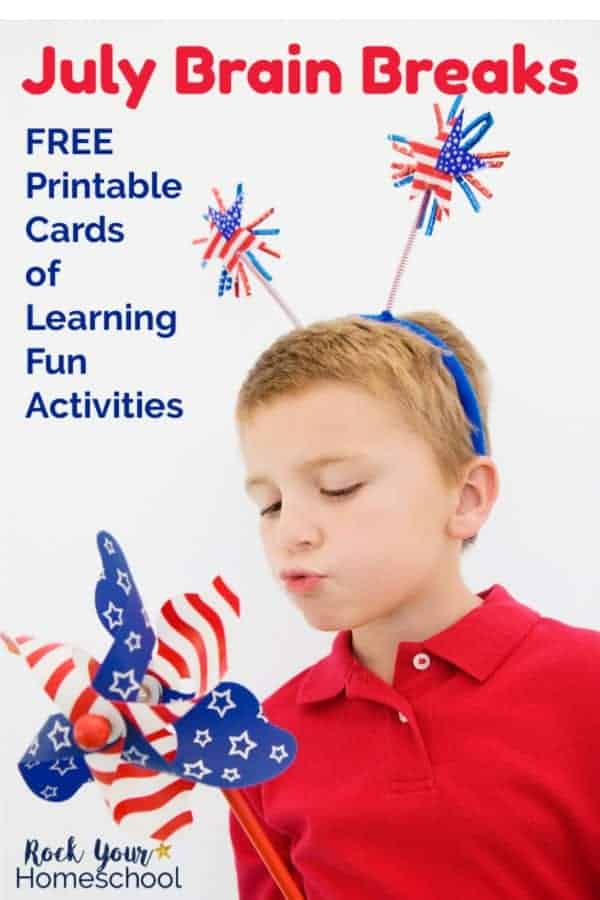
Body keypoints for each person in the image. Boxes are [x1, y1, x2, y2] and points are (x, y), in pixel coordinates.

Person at [228, 311, 600, 899]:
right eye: (269, 503)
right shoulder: (263, 742)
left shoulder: (588, 684)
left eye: (338, 487)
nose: (290, 531)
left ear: (467, 498)